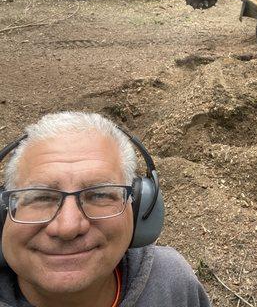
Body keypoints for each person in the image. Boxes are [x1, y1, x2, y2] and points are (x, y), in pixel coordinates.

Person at [0, 112, 211, 307]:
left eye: (100, 195)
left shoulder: (171, 281)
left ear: (139, 208)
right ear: (4, 213)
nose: (68, 227)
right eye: (41, 197)